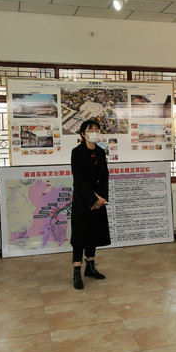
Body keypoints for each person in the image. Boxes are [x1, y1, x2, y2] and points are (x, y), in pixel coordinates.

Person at [70, 120, 110, 290]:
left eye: (96, 129)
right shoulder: (77, 152)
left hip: (99, 200)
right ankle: (77, 271)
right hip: (83, 200)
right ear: (83, 134)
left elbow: (105, 176)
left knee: (93, 233)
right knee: (80, 235)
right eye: (90, 130)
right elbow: (78, 179)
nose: (94, 132)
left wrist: (102, 199)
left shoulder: (100, 152)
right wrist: (93, 198)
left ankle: (90, 267)